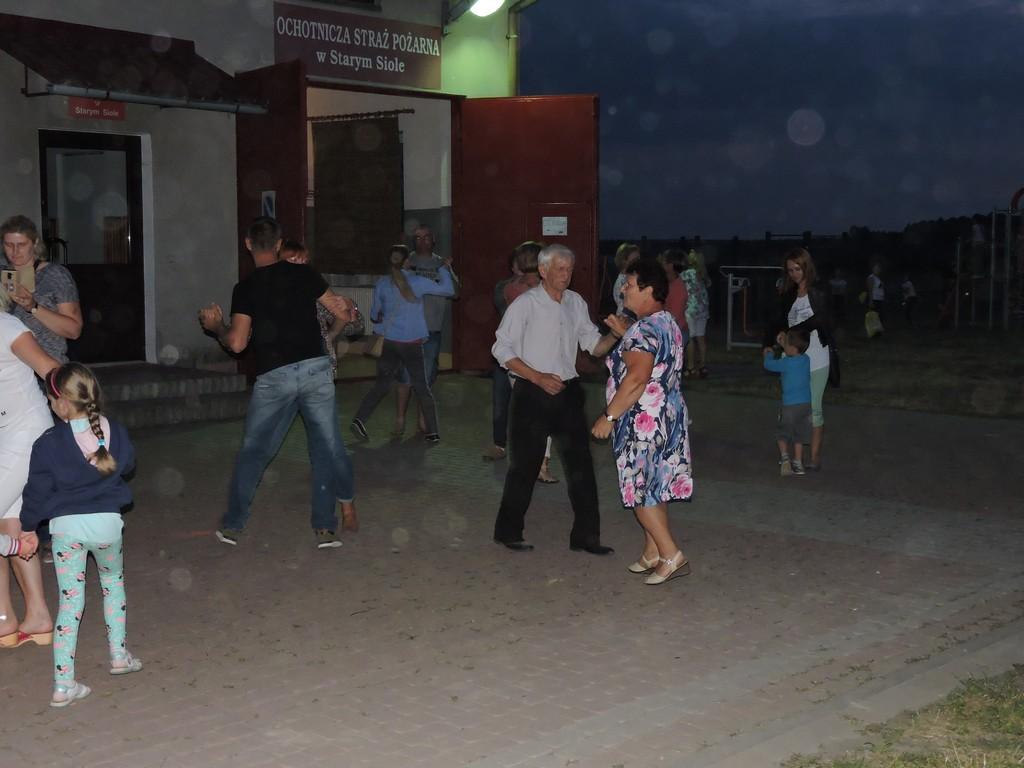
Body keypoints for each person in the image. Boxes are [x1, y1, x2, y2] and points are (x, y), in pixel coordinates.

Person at [198, 217, 357, 549]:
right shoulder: (304, 274)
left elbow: (237, 344)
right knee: (323, 449)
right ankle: (325, 529)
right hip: (315, 369)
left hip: (275, 377)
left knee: (254, 451)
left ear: (248, 245)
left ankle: (233, 525)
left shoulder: (246, 288)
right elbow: (342, 312)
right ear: (280, 243)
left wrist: (216, 327)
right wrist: (327, 333)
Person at [20, 363, 141, 707]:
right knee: (112, 584)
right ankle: (119, 655)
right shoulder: (116, 432)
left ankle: (63, 685)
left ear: (60, 403)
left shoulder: (48, 443)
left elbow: (36, 493)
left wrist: (28, 528)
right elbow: (128, 466)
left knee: (70, 603)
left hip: (67, 530)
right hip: (107, 526)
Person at [491, 243, 620, 555]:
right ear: (543, 270)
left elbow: (593, 346)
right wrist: (537, 377)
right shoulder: (526, 304)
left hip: (568, 392)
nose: (566, 274)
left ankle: (586, 537)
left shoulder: (575, 302)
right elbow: (501, 348)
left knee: (581, 467)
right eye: (560, 269)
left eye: (570, 269)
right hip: (532, 393)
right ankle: (508, 532)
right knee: (525, 466)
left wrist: (616, 335)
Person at [591, 259, 693, 585]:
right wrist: (627, 335)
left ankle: (671, 554)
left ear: (649, 290)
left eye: (630, 284)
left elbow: (636, 378)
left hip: (642, 421)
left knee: (639, 491)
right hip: (666, 417)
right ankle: (652, 551)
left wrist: (609, 416)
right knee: (654, 489)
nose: (623, 289)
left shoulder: (645, 329)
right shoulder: (665, 322)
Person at [0, 287, 58, 649]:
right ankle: (34, 618)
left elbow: (51, 369)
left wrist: (82, 424)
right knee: (10, 524)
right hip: (7, 434)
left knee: (7, 526)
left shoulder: (5, 327)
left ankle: (3, 618)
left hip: (27, 433)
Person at [350, 245, 455, 443]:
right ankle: (432, 432)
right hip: (411, 343)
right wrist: (444, 268)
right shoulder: (417, 281)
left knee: (381, 385)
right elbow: (448, 290)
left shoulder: (383, 283)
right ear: (407, 261)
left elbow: (374, 314)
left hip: (389, 342)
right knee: (421, 387)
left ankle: (359, 420)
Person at [482, 242, 559, 484]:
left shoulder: (511, 287)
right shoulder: (535, 290)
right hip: (527, 359)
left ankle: (534, 462)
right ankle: (537, 463)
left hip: (518, 359)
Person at [765, 247, 832, 471]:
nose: (794, 274)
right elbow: (779, 320)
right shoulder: (788, 293)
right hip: (792, 361)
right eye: (790, 270)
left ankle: (814, 457)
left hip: (817, 359)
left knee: (814, 409)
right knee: (793, 406)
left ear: (806, 267)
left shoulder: (819, 290)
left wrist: (793, 332)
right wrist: (778, 337)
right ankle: (794, 456)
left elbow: (820, 320)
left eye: (798, 269)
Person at [397, 226, 459, 432]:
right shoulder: (406, 261)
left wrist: (447, 269)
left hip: (432, 329)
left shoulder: (441, 263)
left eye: (426, 237)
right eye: (417, 237)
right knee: (405, 377)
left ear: (434, 240)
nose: (422, 241)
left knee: (426, 378)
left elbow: (456, 293)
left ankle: (422, 418)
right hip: (408, 329)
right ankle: (400, 418)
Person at [1, 215, 83, 363]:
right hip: (9, 370)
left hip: (46, 367)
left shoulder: (54, 274)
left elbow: (74, 330)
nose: (15, 251)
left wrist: (33, 307)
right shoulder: (3, 274)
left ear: (35, 242)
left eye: (21, 244)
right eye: (9, 245)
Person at [280, 239, 349, 379]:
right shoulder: (273, 295)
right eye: (293, 261)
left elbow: (354, 325)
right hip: (284, 368)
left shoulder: (316, 293)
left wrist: (349, 306)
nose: (299, 267)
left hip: (316, 368)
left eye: (303, 261)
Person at [763, 328, 812, 476]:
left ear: (791, 347)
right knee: (799, 434)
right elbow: (792, 350)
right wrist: (785, 344)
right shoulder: (806, 359)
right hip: (805, 405)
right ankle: (798, 463)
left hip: (789, 406)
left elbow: (768, 365)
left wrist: (769, 354)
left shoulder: (786, 363)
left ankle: (785, 459)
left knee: (782, 433)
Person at [681, 249, 710, 378]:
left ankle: (690, 366)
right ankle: (702, 366)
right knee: (701, 337)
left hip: (690, 309)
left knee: (690, 338)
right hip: (702, 309)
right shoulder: (703, 275)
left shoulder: (686, 274)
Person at [612, 243, 641, 315]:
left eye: (638, 259)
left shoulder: (630, 278)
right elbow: (625, 308)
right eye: (635, 260)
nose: (639, 262)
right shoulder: (623, 281)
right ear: (624, 261)